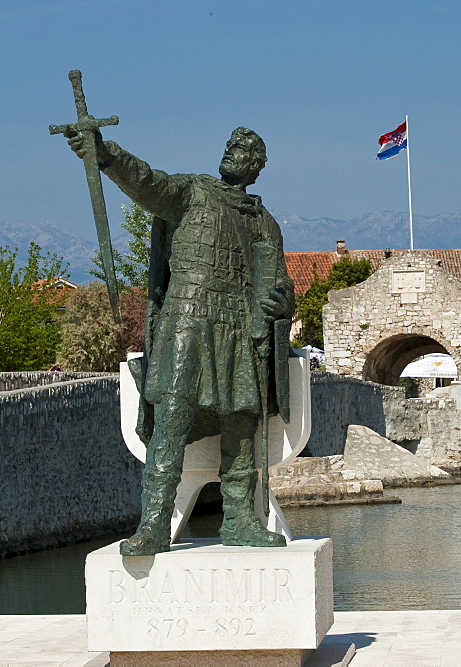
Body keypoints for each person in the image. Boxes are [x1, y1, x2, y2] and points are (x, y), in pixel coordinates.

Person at [64, 125, 294, 555]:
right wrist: (107, 154)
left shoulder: (265, 223)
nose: (234, 153)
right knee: (171, 416)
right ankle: (153, 524)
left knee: (242, 422)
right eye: (231, 146)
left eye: (245, 152)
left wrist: (279, 305)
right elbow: (147, 182)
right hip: (187, 314)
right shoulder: (191, 192)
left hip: (242, 325)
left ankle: (241, 519)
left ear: (256, 168)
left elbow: (282, 286)